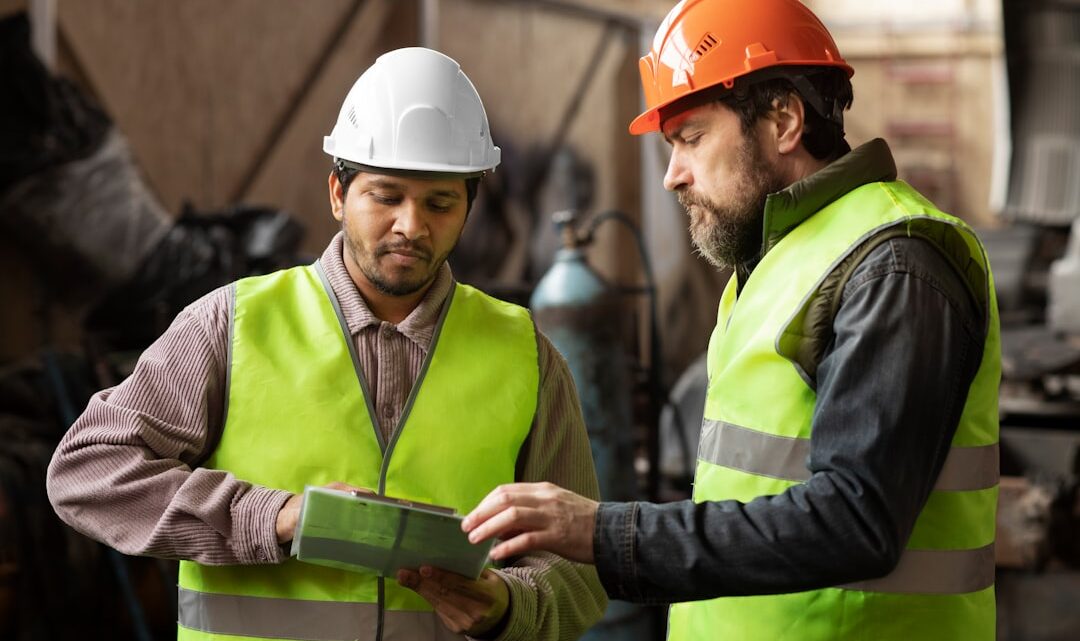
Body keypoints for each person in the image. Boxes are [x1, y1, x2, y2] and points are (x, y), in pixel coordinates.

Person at [461, 1, 1001, 639]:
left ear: (783, 120)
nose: (672, 176)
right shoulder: (775, 264)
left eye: (690, 138)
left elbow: (856, 520)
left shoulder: (894, 266)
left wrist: (603, 533)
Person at [46, 47, 606, 641]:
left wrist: (509, 606)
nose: (411, 226)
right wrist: (274, 517)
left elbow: (579, 572)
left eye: (439, 202)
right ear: (338, 193)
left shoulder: (526, 355)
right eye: (386, 196)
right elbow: (87, 472)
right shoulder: (232, 325)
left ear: (468, 206)